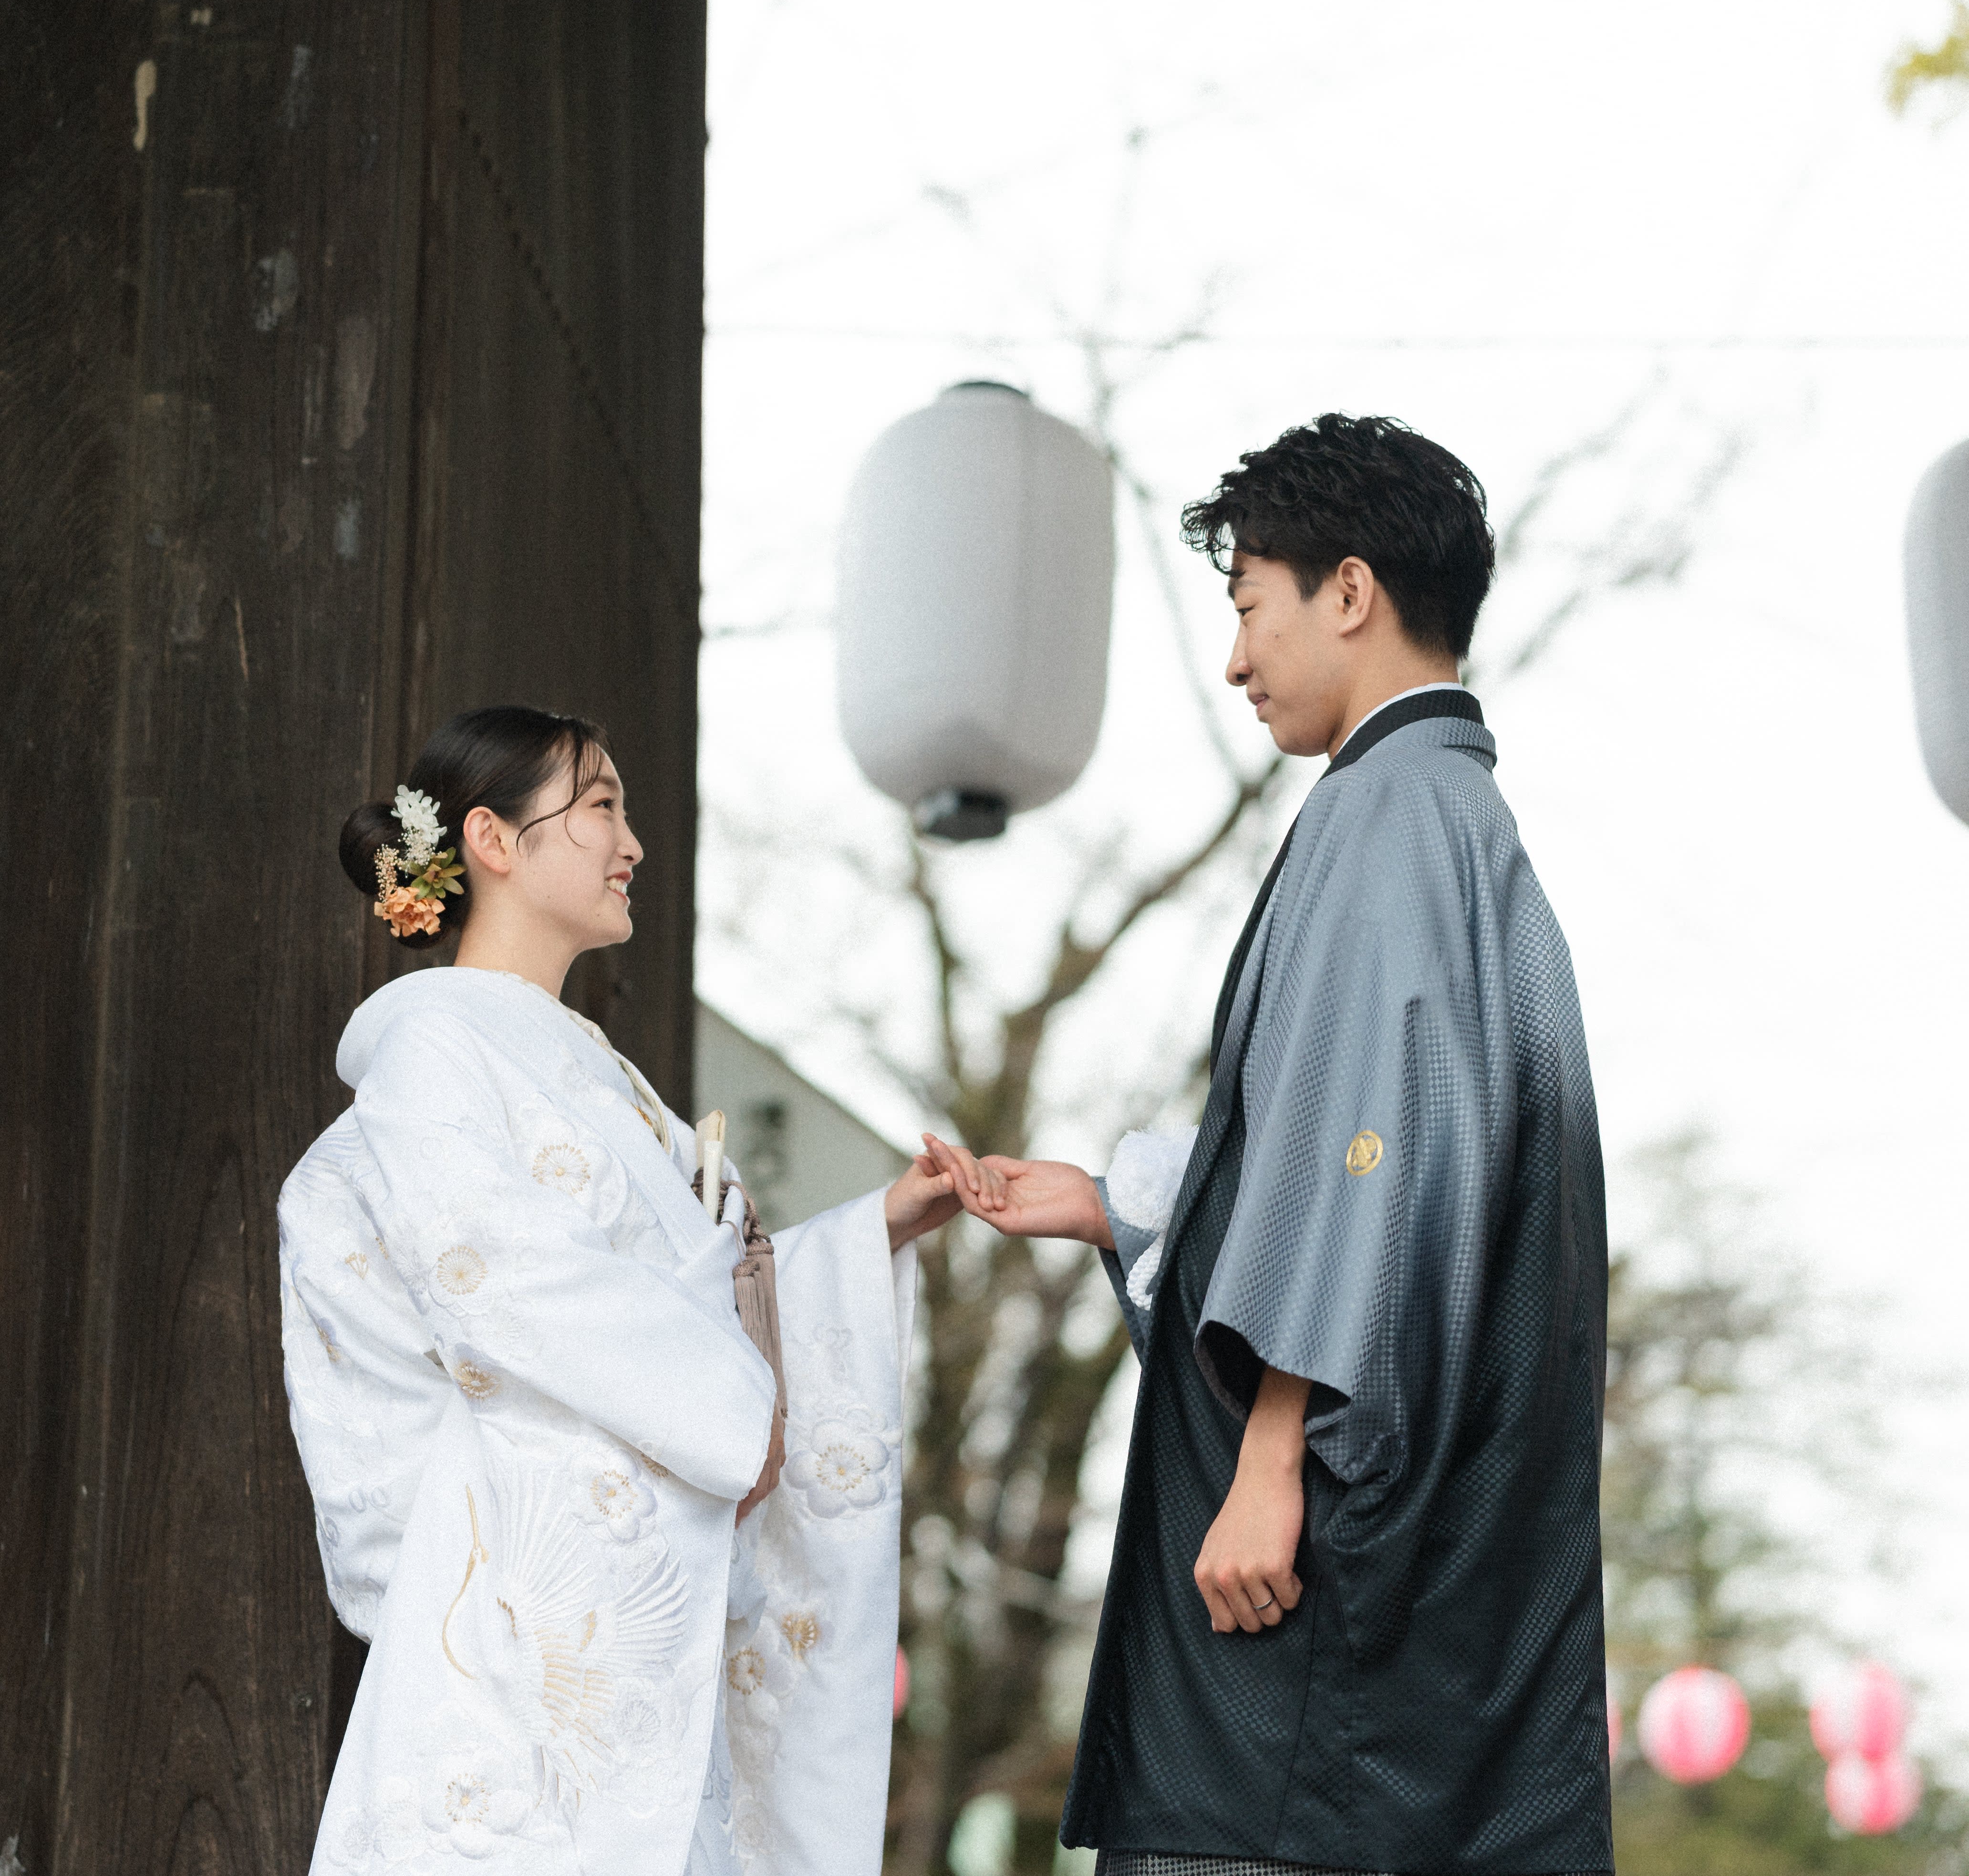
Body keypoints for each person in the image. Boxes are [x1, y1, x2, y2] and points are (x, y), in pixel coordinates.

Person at [933, 415, 1613, 1876]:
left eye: (1251, 606)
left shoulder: (1387, 815)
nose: (1238, 659)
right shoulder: (1455, 817)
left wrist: (1272, 1450)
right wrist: (1119, 1206)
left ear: (1349, 592)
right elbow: (1398, 1154)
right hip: (1449, 1566)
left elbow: (1370, 1155)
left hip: (1330, 1563)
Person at [280, 705, 958, 1875]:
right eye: (600, 805)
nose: (631, 843)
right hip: (525, 1637)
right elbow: (507, 1283)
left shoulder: (604, 1080)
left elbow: (691, 1301)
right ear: (492, 838)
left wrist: (869, 1234)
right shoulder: (434, 1053)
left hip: (638, 1621)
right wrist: (735, 1413)